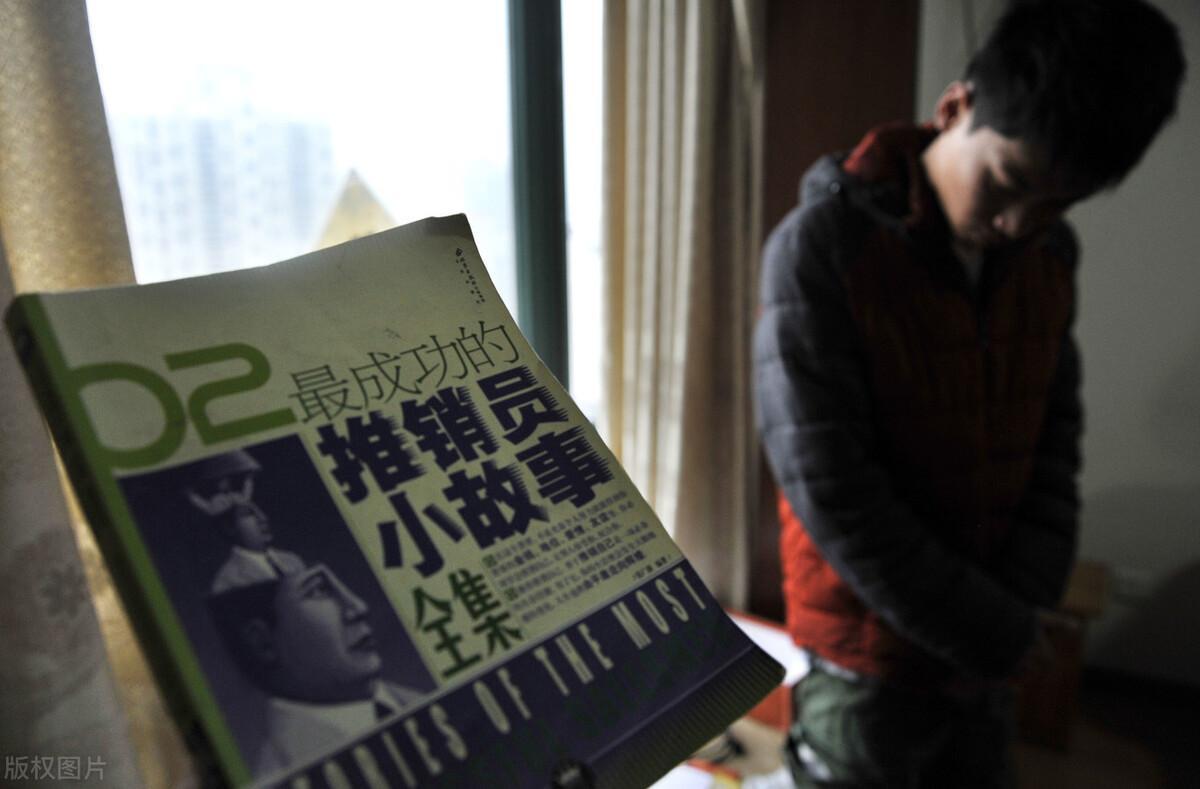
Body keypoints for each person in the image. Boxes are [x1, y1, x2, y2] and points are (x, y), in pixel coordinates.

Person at [752, 1, 1185, 786]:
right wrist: (992, 626)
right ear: (955, 108)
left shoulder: (1048, 252)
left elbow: (1056, 434)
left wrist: (1024, 600)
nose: (1020, 222)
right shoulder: (822, 250)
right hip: (868, 653)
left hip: (992, 639)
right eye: (1009, 183)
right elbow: (833, 490)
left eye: (1057, 203)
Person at [208, 562, 424, 777]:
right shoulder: (283, 773)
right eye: (318, 591)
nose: (358, 607)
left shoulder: (413, 701)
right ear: (262, 642)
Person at [184, 449, 305, 593]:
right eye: (248, 514)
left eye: (260, 512)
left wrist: (249, 477)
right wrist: (192, 496)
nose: (263, 518)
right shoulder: (227, 582)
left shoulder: (293, 561)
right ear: (229, 527)